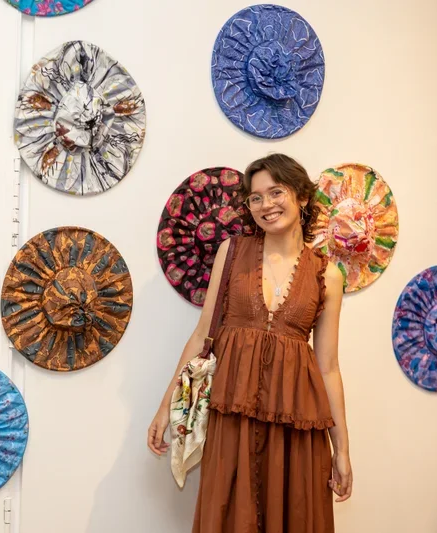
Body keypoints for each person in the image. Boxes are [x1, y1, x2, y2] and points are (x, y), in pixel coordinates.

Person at [148, 153, 352, 532]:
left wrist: (342, 448)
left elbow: (328, 367)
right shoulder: (232, 252)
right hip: (232, 417)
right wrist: (166, 408)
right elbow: (201, 334)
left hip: (297, 426)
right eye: (255, 197)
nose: (265, 205)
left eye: (276, 192)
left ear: (302, 197)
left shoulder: (329, 274)